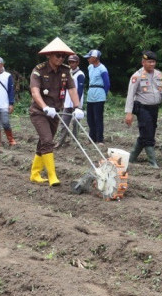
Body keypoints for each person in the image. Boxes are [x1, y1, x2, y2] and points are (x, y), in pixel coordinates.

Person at [29, 38, 83, 186]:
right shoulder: (38, 70)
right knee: (47, 141)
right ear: (49, 55)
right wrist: (45, 107)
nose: (60, 58)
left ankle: (35, 173)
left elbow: (72, 89)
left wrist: (77, 107)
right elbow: (35, 92)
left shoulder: (66, 71)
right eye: (57, 55)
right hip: (39, 112)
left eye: (62, 56)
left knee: (43, 141)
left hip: (55, 113)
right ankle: (52, 176)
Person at [124, 50, 162, 168]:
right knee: (148, 133)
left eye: (153, 62)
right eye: (149, 62)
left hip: (154, 108)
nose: (152, 64)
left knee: (147, 133)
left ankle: (131, 158)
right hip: (142, 108)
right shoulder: (136, 76)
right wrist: (129, 113)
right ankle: (153, 162)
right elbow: (130, 95)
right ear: (143, 62)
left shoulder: (159, 75)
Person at [54, 54, 86, 148]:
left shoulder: (80, 74)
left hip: (76, 103)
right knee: (64, 123)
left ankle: (75, 142)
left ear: (77, 63)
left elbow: (79, 90)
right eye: (70, 62)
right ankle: (60, 142)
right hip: (67, 102)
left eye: (73, 62)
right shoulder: (68, 73)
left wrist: (77, 104)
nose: (71, 64)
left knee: (76, 124)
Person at [83, 49, 110, 145]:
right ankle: (92, 137)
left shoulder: (102, 69)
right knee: (90, 118)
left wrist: (104, 94)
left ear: (95, 58)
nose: (88, 59)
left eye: (89, 57)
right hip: (91, 94)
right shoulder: (90, 67)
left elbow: (107, 83)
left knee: (98, 117)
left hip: (99, 94)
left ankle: (100, 139)